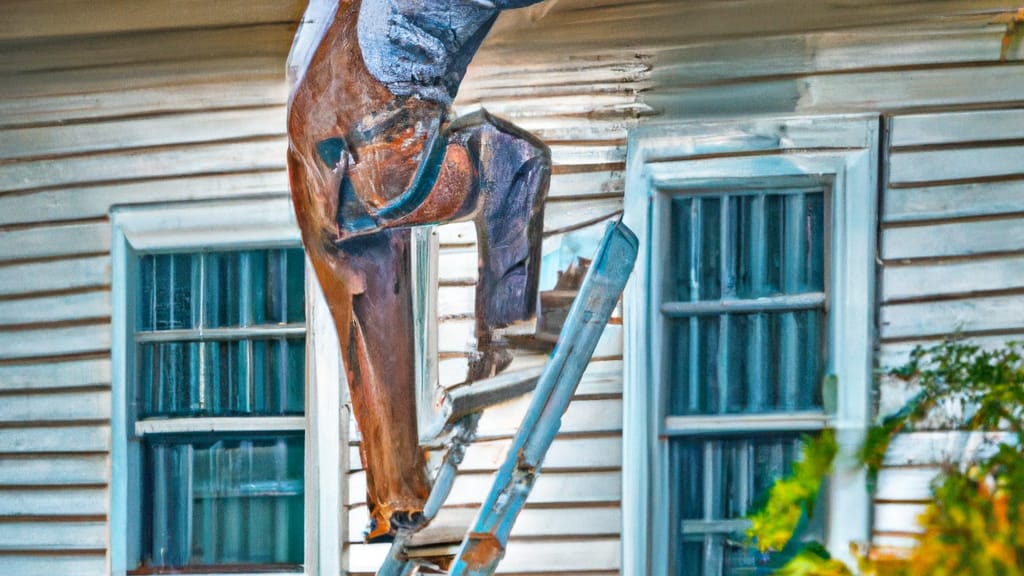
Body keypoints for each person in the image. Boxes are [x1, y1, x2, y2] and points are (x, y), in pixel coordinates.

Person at [287, 0, 549, 540]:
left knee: (371, 310)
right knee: (516, 161)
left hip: (317, 162)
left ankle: (395, 498)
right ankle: (504, 340)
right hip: (382, 146)